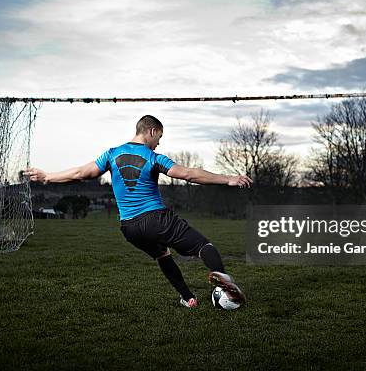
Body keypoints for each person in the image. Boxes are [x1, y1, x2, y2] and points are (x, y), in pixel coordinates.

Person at [23, 115, 251, 308]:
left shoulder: (111, 154)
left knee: (162, 255)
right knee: (204, 247)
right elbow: (188, 174)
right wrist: (228, 179)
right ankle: (226, 284)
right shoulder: (153, 157)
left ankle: (188, 297)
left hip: (130, 228)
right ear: (151, 131)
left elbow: (81, 172)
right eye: (159, 138)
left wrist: (47, 177)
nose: (158, 144)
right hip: (156, 219)